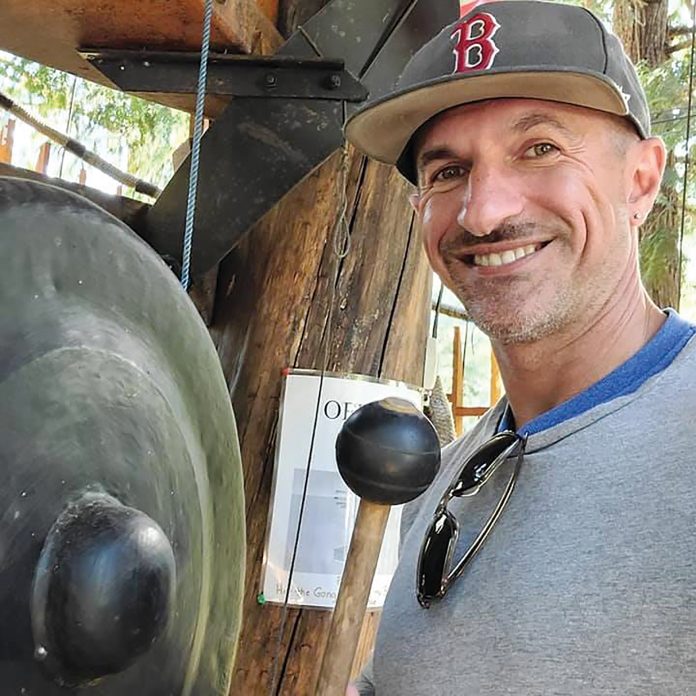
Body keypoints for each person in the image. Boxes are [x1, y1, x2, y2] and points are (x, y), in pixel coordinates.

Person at [342, 1, 696, 694]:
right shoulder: (445, 485)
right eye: (446, 171)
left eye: (539, 149)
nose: (483, 211)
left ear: (642, 181)